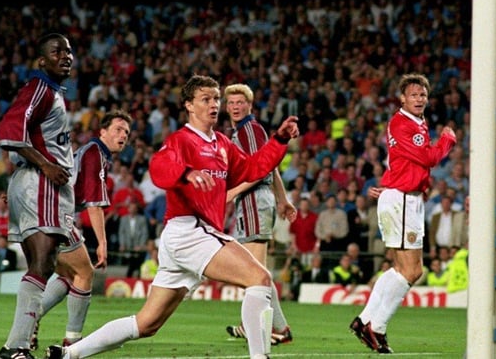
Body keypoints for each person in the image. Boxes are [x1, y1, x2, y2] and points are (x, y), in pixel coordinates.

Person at [45, 75, 299, 359]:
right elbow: (159, 167)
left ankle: (68, 354)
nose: (214, 104)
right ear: (189, 105)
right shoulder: (181, 140)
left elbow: (253, 168)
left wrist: (279, 140)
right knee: (260, 278)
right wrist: (186, 173)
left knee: (146, 324)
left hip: (189, 238)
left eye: (216, 98)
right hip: (189, 231)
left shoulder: (222, 144)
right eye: (206, 99)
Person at [350, 73, 456, 354]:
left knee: (400, 269)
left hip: (405, 197)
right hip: (403, 201)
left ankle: (364, 320)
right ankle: (376, 326)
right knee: (413, 270)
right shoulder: (402, 123)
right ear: (402, 98)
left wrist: (419, 184)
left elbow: (414, 164)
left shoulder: (417, 122)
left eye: (423, 95)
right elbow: (429, 157)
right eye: (413, 95)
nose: (419, 99)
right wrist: (447, 141)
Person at [0, 33, 76, 359]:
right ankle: (15, 347)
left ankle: (19, 343)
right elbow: (9, 130)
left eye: (69, 51)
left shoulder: (52, 91)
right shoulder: (40, 87)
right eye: (57, 51)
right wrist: (45, 166)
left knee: (43, 265)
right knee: (43, 263)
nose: (66, 56)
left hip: (36, 181)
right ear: (42, 61)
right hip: (41, 183)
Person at [32, 110, 132, 350]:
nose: (123, 135)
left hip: (41, 211)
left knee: (70, 275)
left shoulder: (93, 153)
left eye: (127, 132)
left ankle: (30, 320)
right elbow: (94, 206)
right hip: (53, 213)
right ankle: (73, 341)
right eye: (118, 129)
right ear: (103, 131)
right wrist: (102, 244)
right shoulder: (95, 153)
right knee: (85, 273)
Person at [222, 83, 296, 346]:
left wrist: (231, 192)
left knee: (254, 270)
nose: (235, 107)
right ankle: (256, 324)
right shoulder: (242, 132)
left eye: (240, 102)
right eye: (231, 103)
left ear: (250, 105)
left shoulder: (249, 130)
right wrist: (283, 199)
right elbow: (270, 163)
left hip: (254, 199)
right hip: (252, 200)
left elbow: (261, 169)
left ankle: (277, 328)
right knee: (254, 269)